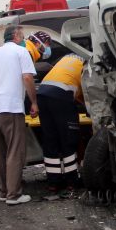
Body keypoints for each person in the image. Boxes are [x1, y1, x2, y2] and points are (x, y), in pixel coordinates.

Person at [0, 24, 37, 205]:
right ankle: (14, 194)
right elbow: (27, 78)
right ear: (17, 37)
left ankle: (4, 191)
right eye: (23, 36)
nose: (24, 40)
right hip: (11, 108)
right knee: (15, 151)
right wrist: (34, 102)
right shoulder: (21, 53)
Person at [36, 53, 85, 193]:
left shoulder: (65, 59)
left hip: (42, 94)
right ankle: (72, 181)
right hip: (61, 96)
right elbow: (85, 95)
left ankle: (54, 182)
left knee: (50, 139)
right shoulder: (88, 65)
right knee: (68, 138)